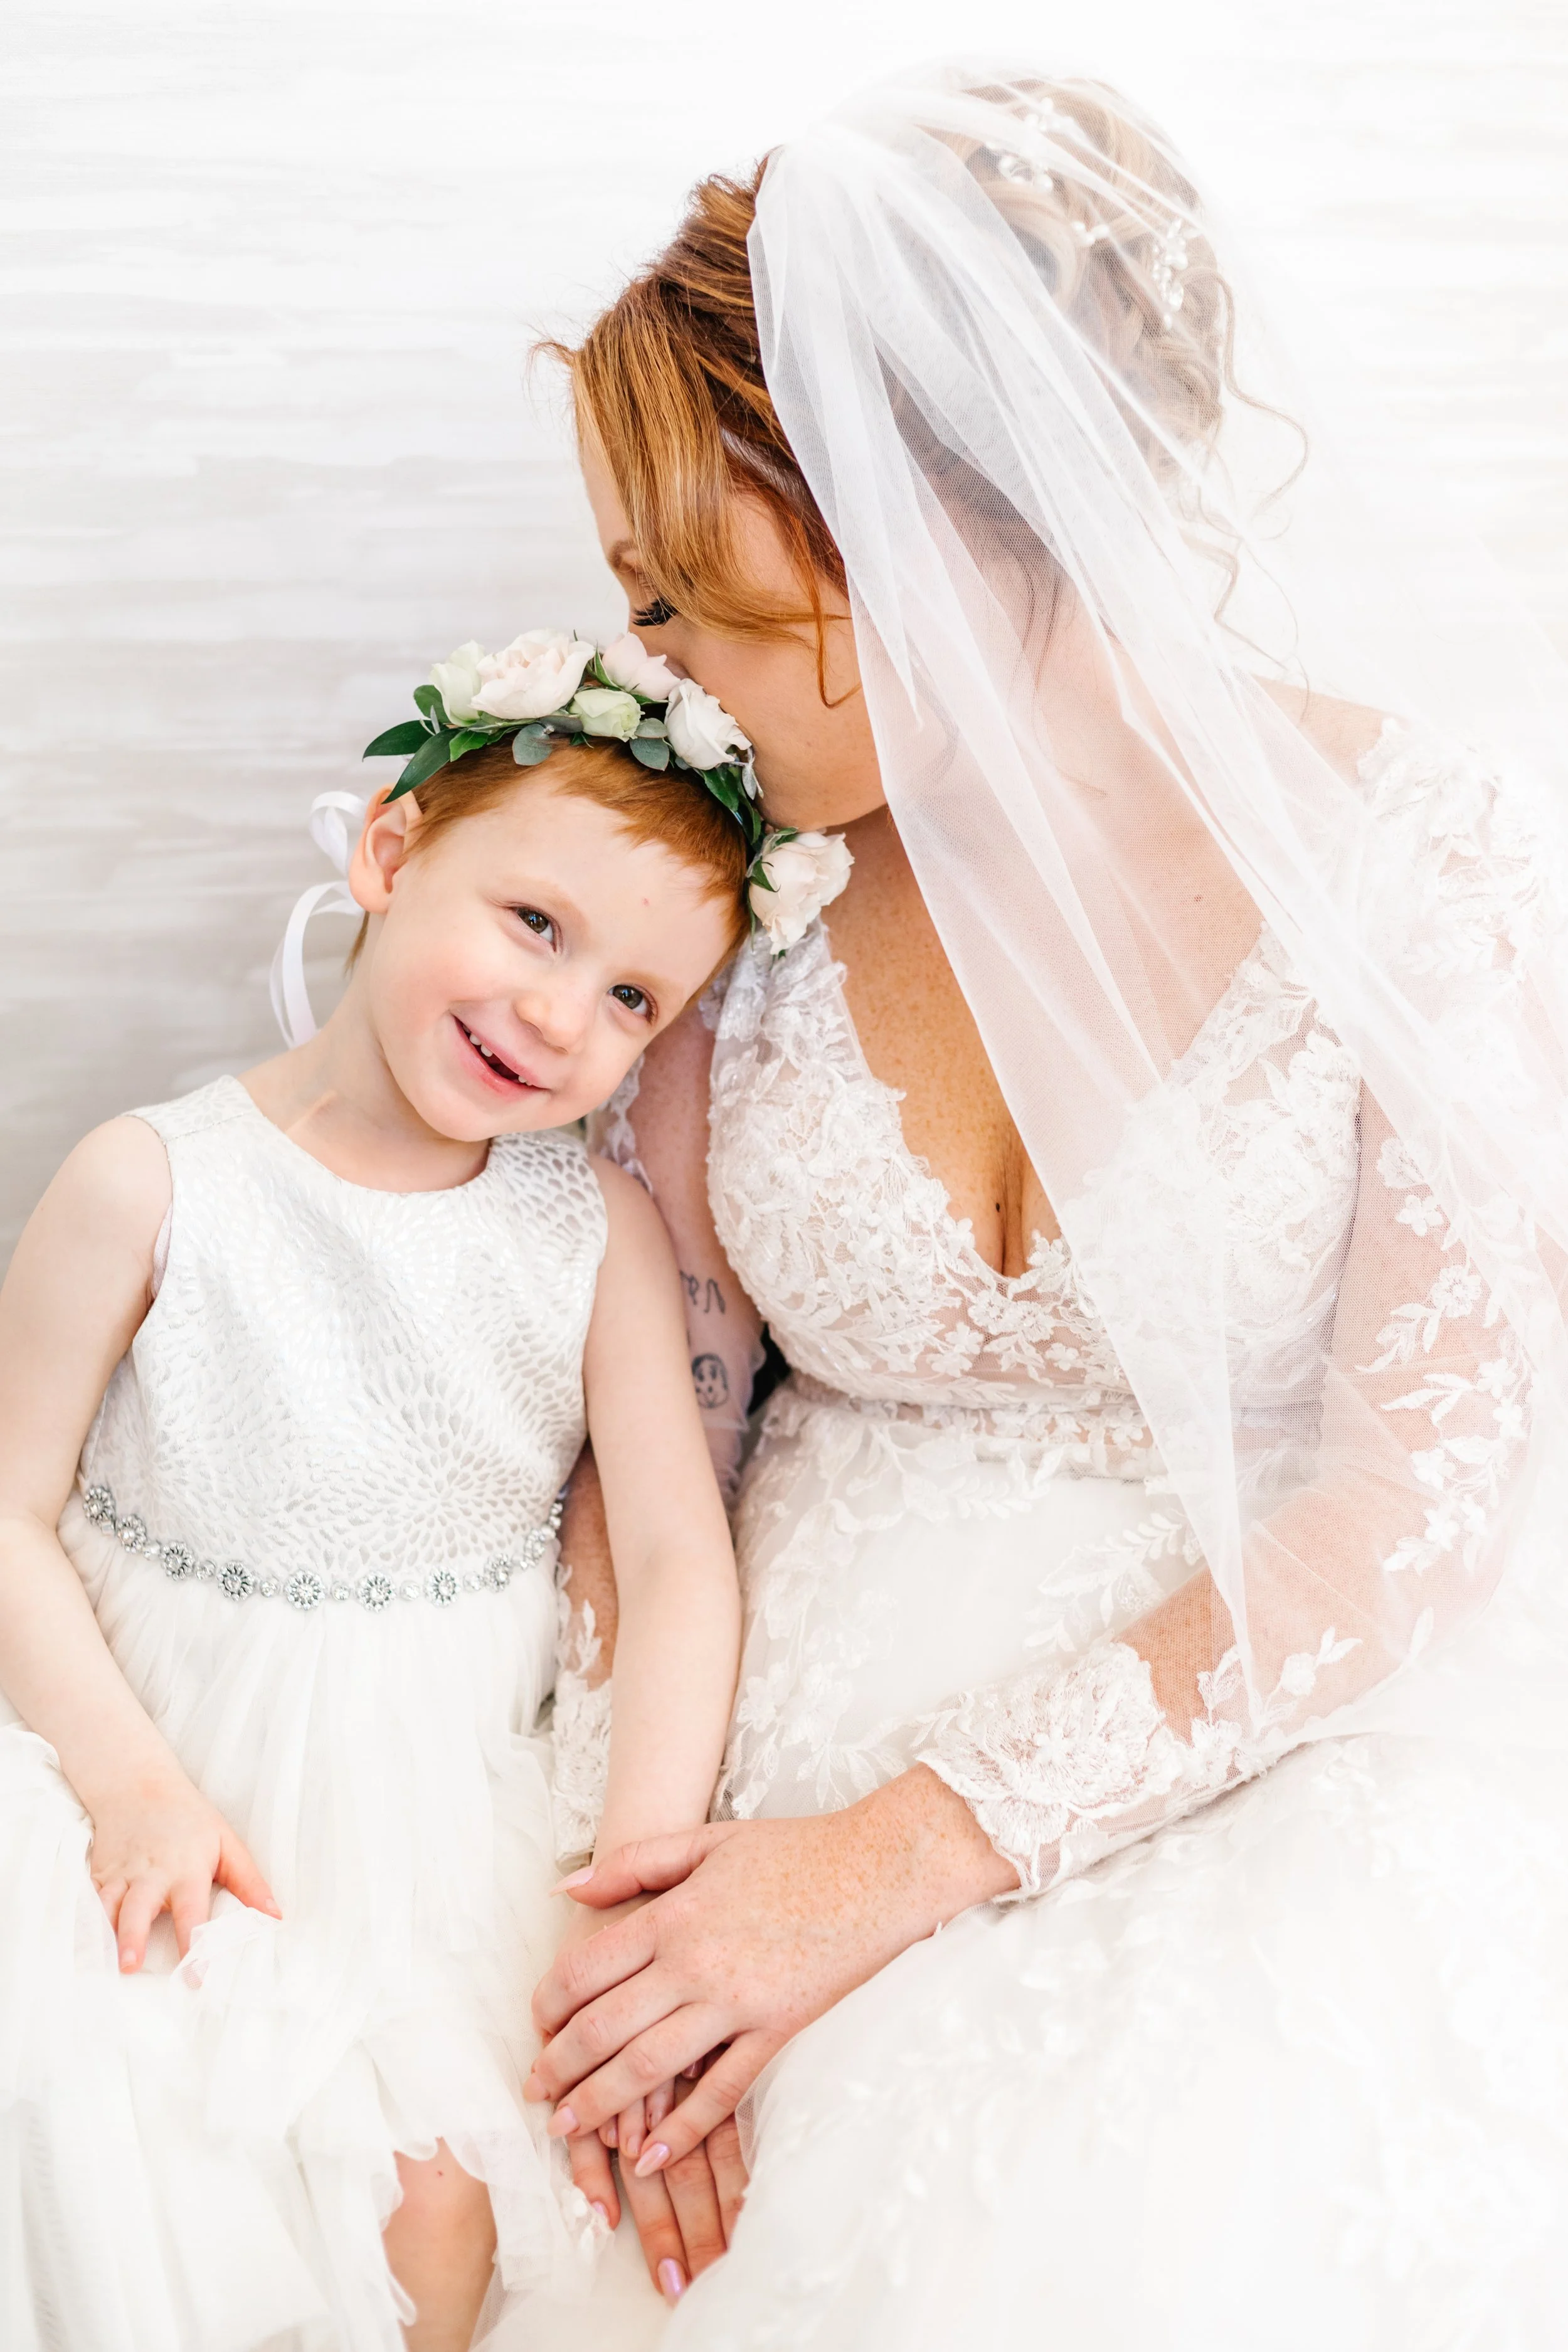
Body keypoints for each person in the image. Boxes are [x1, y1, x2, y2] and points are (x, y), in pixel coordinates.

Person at [525, 68, 1568, 2345]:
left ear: (902, 518)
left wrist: (877, 1868)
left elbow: (1417, 1494)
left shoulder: (1424, 856)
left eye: (684, 596)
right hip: (727, 1752)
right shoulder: (734, 873)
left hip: (1238, 1751)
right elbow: (666, 1380)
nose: (655, 670)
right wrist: (643, 1897)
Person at [0, 632, 850, 2351]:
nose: (560, 1013)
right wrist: (135, 1789)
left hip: (441, 1800)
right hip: (171, 1756)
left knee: (442, 2214)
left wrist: (644, 1865)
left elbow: (681, 1563)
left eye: (632, 1000)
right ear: (386, 855)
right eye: (536, 924)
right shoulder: (151, 1181)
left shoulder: (591, 1234)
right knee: (158, 2159)